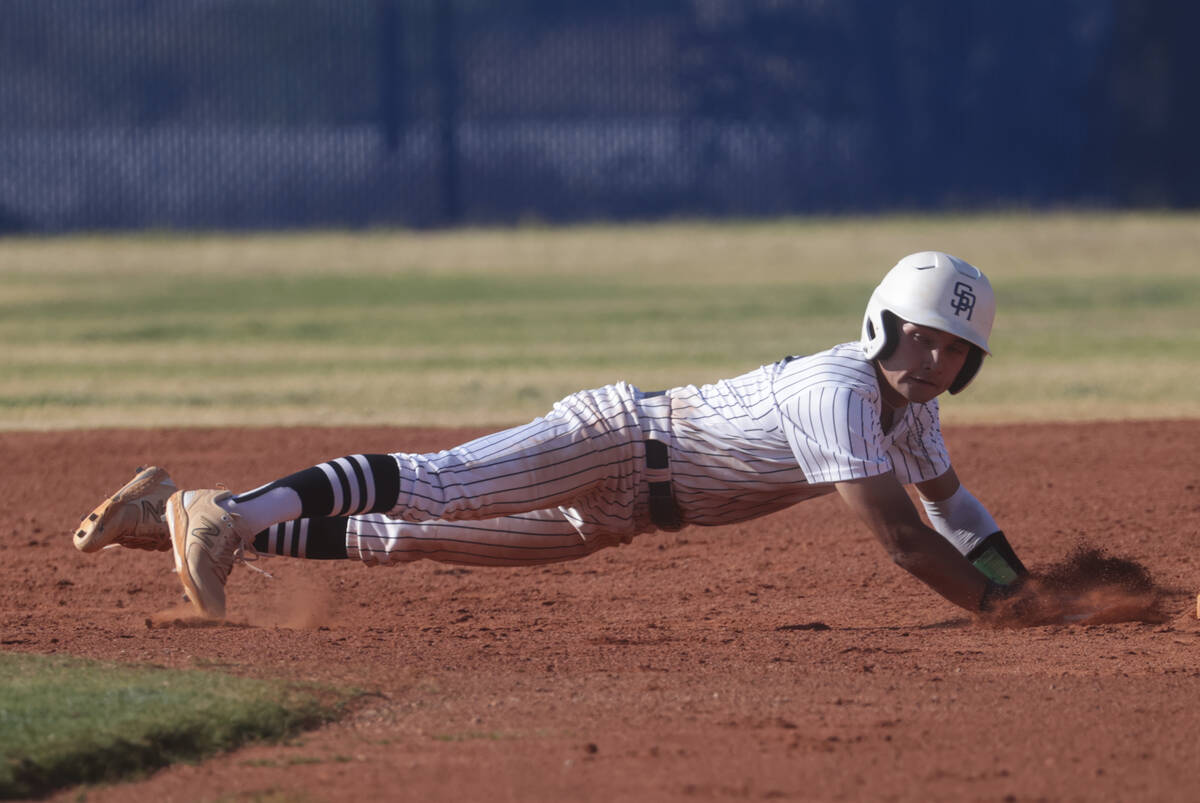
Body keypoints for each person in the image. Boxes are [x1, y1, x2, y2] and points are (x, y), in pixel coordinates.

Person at [73, 251, 1028, 620]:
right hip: (619, 440)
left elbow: (949, 508)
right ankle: (227, 508)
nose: (935, 364)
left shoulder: (912, 413)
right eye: (923, 340)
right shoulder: (840, 391)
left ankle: (160, 513)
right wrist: (1005, 612)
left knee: (405, 536)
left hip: (625, 515)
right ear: (884, 325)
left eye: (956, 353)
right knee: (435, 483)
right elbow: (904, 544)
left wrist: (1016, 578)